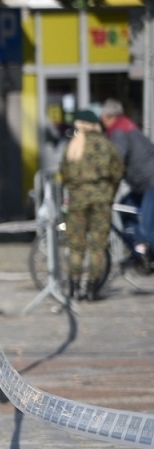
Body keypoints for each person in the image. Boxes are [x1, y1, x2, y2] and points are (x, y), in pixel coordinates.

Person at [57, 106, 125, 300]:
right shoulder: (106, 144)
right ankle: (92, 288)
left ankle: (74, 288)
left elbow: (64, 173)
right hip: (102, 200)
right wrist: (109, 193)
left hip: (78, 200)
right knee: (98, 245)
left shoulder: (73, 146)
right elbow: (118, 172)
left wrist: (75, 189)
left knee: (76, 245)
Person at [100, 99, 154, 270]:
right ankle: (140, 251)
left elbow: (116, 162)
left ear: (107, 116)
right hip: (141, 184)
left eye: (103, 116)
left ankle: (147, 255)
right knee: (125, 208)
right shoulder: (125, 125)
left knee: (146, 228)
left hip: (150, 183)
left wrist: (103, 181)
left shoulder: (119, 131)